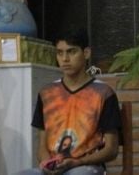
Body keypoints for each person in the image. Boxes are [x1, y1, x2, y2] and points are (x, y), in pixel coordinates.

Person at [17, 30, 120, 175]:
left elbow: (111, 149)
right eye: (60, 53)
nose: (65, 59)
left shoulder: (103, 93)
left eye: (71, 52)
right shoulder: (47, 93)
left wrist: (78, 162)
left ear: (86, 53)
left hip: (86, 167)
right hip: (54, 167)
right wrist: (47, 164)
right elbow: (42, 147)